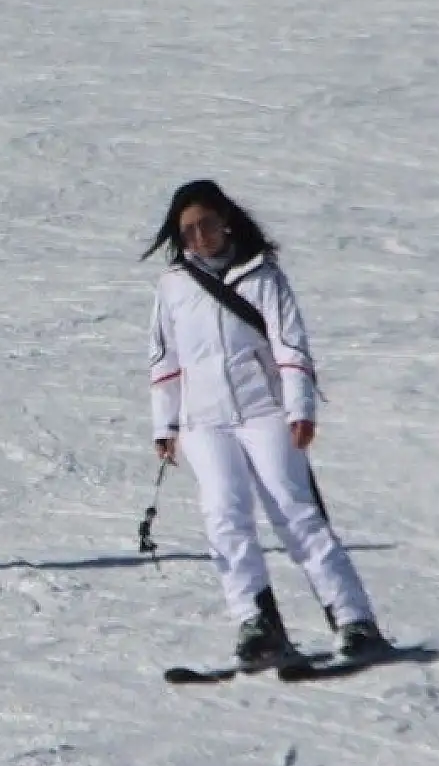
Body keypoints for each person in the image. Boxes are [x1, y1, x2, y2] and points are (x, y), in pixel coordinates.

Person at [144, 179, 385, 668]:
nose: (197, 237)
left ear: (226, 220)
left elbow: (290, 345)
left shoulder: (264, 277)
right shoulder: (173, 285)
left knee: (294, 511)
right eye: (186, 230)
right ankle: (256, 623)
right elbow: (165, 359)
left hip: (265, 412)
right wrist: (164, 424)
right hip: (202, 420)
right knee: (223, 514)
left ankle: (353, 618)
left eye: (205, 225)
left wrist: (300, 408)